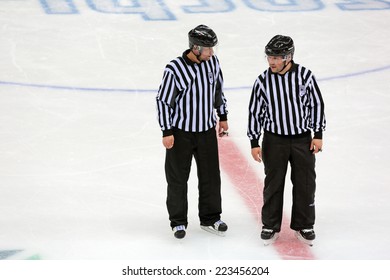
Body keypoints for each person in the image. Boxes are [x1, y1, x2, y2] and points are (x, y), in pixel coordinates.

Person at [247, 35, 326, 246]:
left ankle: (304, 224)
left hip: (302, 140)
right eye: (269, 57)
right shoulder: (263, 80)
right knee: (273, 184)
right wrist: (254, 141)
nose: (272, 61)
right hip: (274, 140)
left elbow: (316, 105)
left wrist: (318, 134)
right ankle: (270, 224)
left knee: (305, 183)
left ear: (288, 56)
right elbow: (255, 112)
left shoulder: (305, 76)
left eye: (276, 57)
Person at [156, 24, 229, 239]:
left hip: (206, 131)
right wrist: (166, 130)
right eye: (208, 49)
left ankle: (211, 218)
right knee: (178, 178)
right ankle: (178, 222)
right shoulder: (175, 69)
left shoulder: (213, 63)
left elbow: (218, 90)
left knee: (211, 177)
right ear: (196, 48)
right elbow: (163, 101)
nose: (212, 53)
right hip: (181, 133)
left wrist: (222, 116)